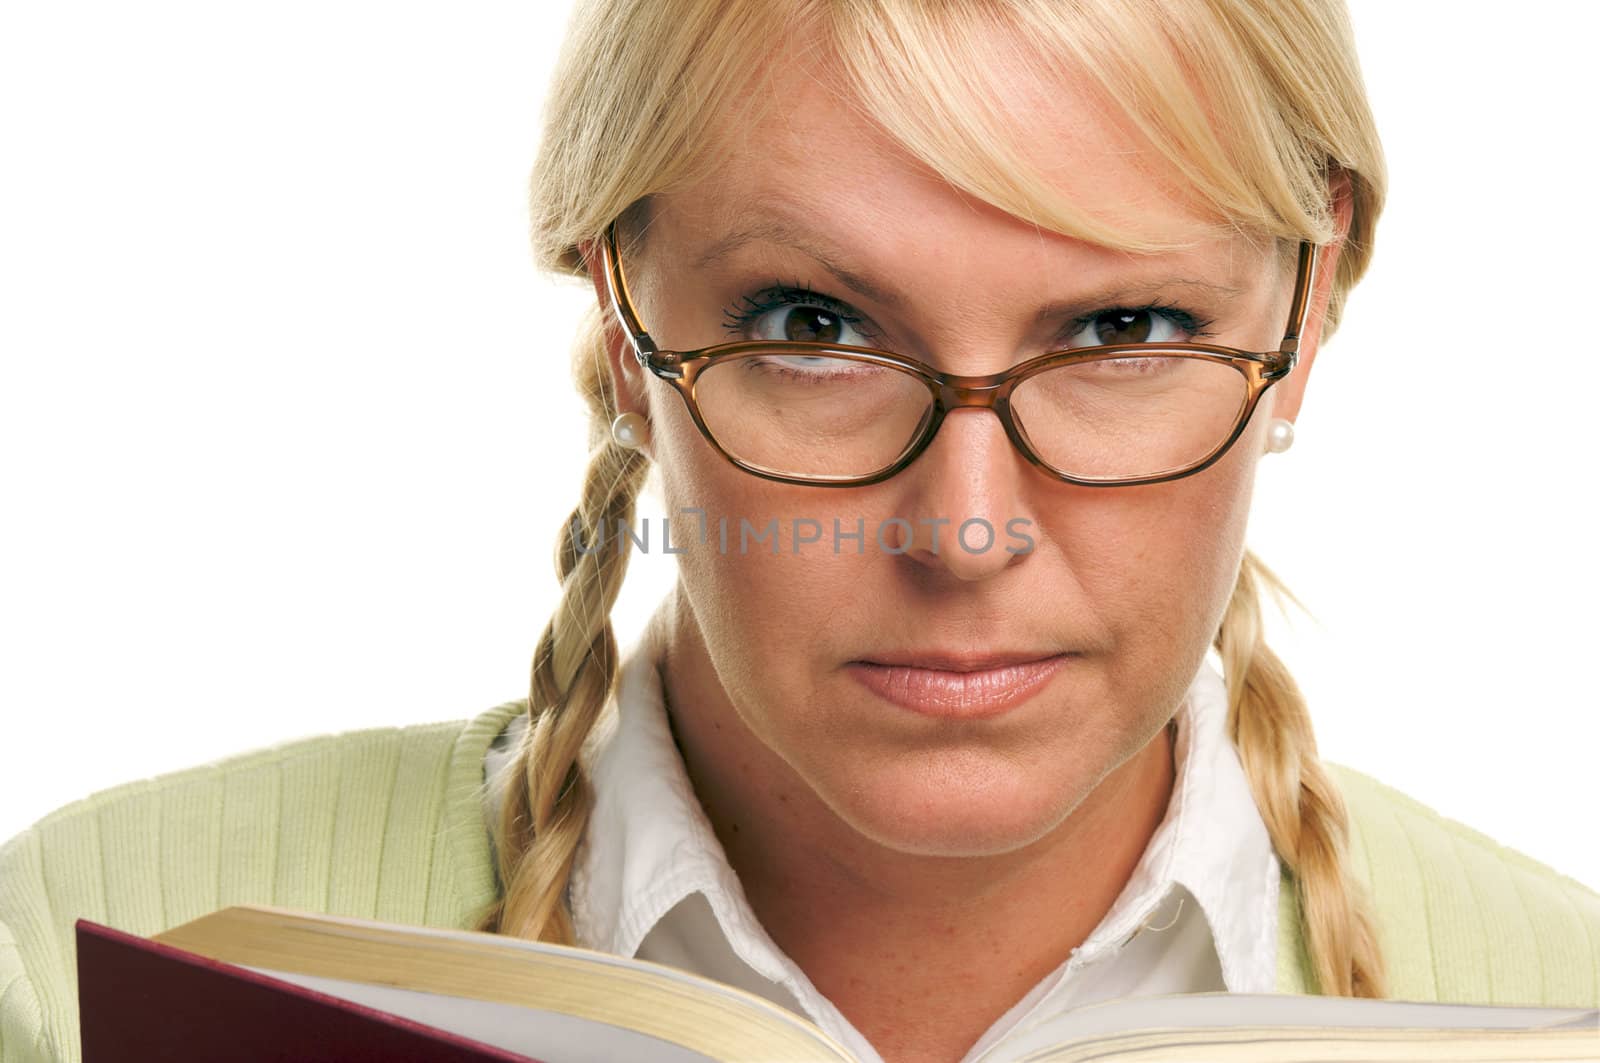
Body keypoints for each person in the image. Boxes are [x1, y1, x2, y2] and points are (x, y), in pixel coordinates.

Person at [2, 1, 1596, 1062]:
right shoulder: (93, 957)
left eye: (1124, 325)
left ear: (1307, 318)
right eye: (813, 323)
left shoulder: (1559, 1005)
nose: (966, 536)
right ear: (624, 329)